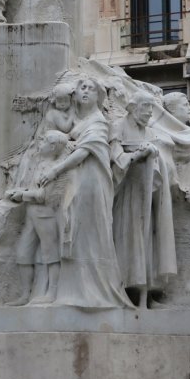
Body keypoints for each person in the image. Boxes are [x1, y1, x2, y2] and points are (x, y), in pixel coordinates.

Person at [39, 78, 133, 309]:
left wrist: (55, 171)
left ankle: (94, 290)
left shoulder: (98, 121)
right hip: (76, 180)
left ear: (98, 96)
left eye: (91, 89)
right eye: (83, 88)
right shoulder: (73, 118)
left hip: (92, 180)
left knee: (89, 232)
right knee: (75, 231)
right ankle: (72, 289)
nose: (86, 92)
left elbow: (84, 152)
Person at [111, 90, 176, 308]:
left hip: (147, 193)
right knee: (128, 241)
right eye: (146, 106)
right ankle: (126, 293)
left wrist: (154, 154)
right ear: (132, 107)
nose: (149, 112)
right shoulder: (118, 126)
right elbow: (115, 157)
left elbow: (161, 160)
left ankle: (146, 295)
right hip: (126, 194)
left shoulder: (149, 132)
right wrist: (137, 155)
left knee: (148, 241)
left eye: (151, 108)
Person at [4, 130, 69, 305]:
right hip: (32, 215)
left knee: (51, 253)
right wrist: (20, 191)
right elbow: (34, 189)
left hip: (45, 215)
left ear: (53, 147)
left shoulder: (54, 168)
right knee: (23, 253)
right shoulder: (39, 164)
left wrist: (22, 195)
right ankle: (25, 294)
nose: (40, 144)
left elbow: (43, 196)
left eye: (44, 142)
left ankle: (52, 292)